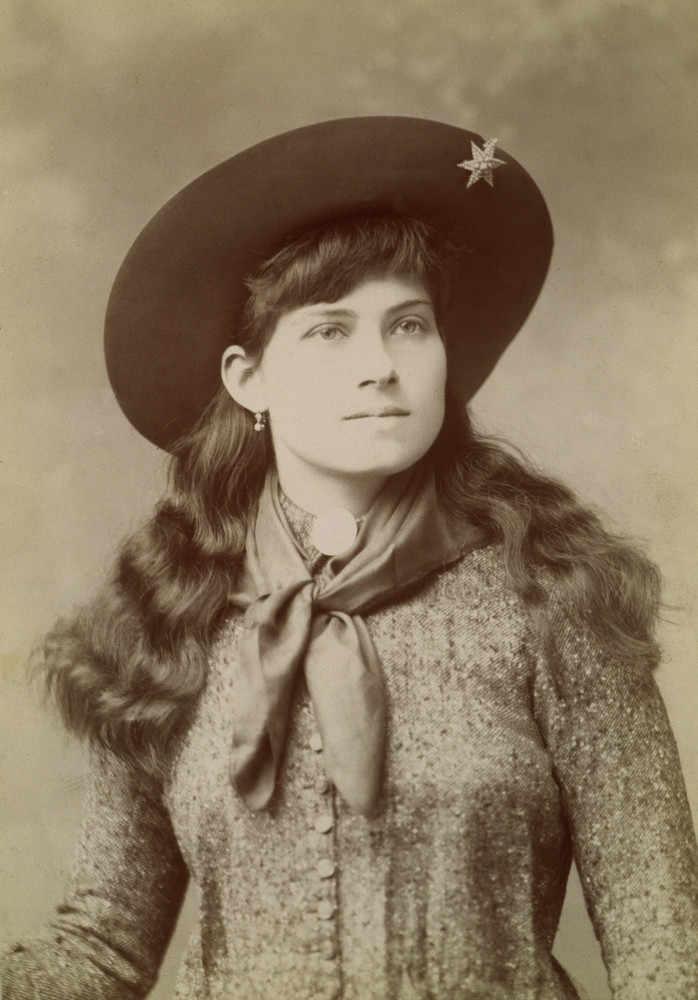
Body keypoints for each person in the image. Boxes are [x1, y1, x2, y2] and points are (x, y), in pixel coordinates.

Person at [1, 117, 696, 1000]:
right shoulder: (168, 617)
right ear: (247, 378)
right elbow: (99, 953)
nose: (381, 366)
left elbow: (665, 948)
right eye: (331, 331)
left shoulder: (556, 592)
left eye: (409, 326)